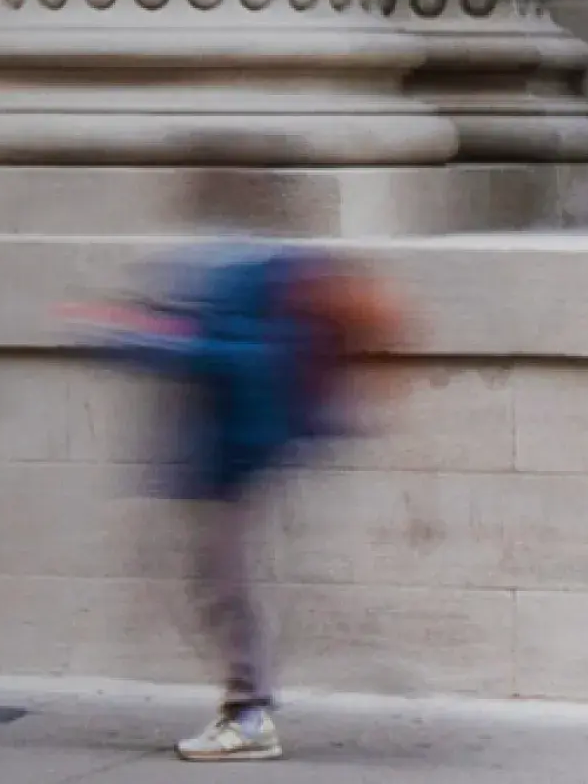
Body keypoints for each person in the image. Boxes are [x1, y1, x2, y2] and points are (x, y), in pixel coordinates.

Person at [64, 229, 407, 764]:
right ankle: (252, 705)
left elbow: (239, 358)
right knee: (220, 586)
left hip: (235, 461)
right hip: (234, 457)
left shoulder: (254, 273)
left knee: (224, 588)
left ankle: (249, 716)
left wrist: (151, 337)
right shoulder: (258, 267)